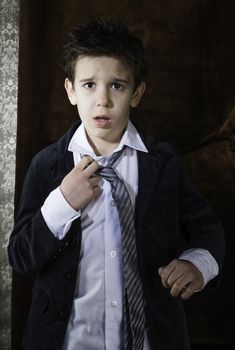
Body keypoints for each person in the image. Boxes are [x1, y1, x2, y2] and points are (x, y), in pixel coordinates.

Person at [8, 19, 225, 350]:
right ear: (71, 90)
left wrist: (198, 263)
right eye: (90, 85)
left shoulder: (163, 162)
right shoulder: (46, 165)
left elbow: (206, 225)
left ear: (137, 93)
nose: (103, 101)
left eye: (117, 86)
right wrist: (63, 202)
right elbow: (21, 256)